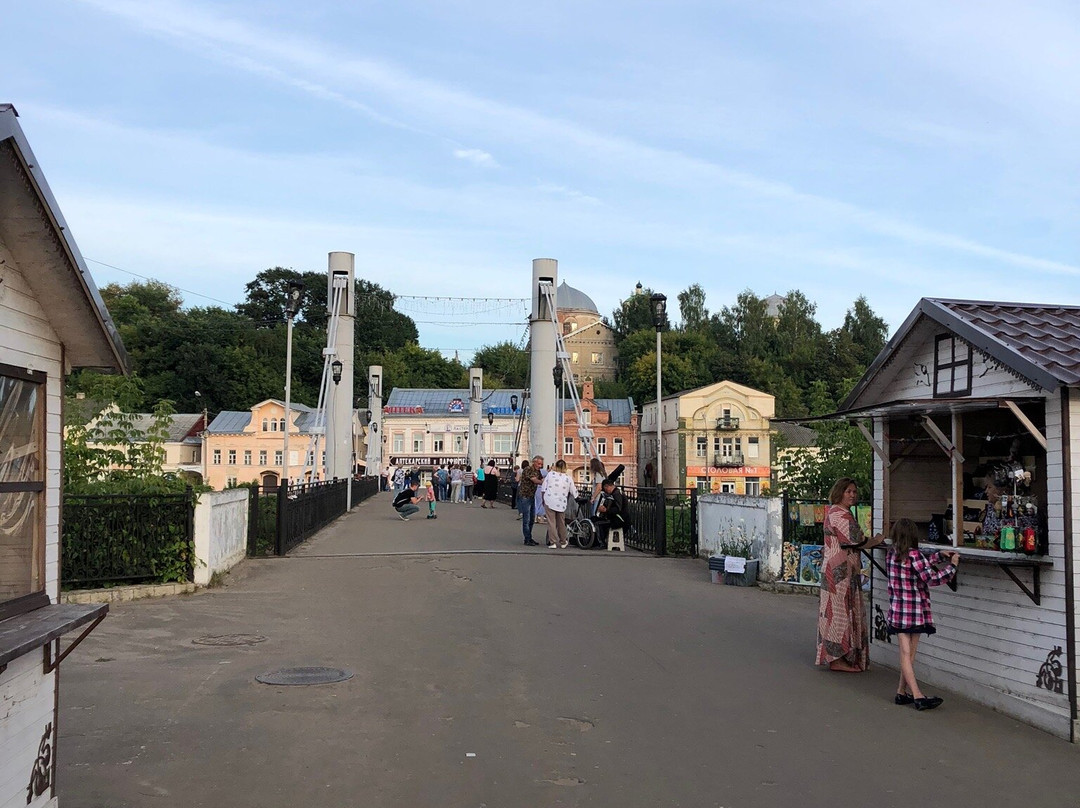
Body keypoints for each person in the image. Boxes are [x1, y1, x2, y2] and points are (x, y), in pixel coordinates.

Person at [887, 518, 958, 710]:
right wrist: (952, 567)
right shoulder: (915, 556)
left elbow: (919, 565)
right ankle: (918, 696)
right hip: (916, 610)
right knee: (909, 653)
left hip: (898, 610)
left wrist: (939, 556)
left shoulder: (891, 555)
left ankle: (901, 693)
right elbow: (930, 578)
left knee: (906, 653)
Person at [816, 477, 885, 672]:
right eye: (848, 491)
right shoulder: (841, 515)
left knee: (837, 611)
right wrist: (877, 540)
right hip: (840, 572)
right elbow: (856, 540)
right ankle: (837, 659)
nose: (853, 495)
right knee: (840, 613)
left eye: (854, 491)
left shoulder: (835, 512)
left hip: (838, 569)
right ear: (839, 492)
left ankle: (840, 656)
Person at [541, 459, 578, 549]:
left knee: (551, 523)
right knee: (561, 522)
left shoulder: (550, 475)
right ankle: (563, 541)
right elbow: (573, 491)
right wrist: (577, 497)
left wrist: (543, 499)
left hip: (549, 500)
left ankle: (553, 542)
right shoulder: (568, 478)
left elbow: (543, 488)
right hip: (561, 503)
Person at [517, 456, 543, 546]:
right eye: (539, 464)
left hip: (532, 496)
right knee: (527, 519)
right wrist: (544, 483)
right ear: (534, 462)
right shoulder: (528, 469)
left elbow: (541, 478)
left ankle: (529, 537)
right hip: (525, 496)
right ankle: (527, 539)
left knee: (531, 518)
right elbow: (535, 480)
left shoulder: (537, 471)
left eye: (541, 464)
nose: (540, 466)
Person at [594, 477, 627, 546]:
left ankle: (601, 543)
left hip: (620, 520)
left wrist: (606, 510)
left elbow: (618, 509)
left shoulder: (617, 494)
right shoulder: (615, 492)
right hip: (616, 517)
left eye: (604, 489)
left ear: (607, 486)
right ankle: (595, 540)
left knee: (598, 523)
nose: (605, 491)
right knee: (594, 519)